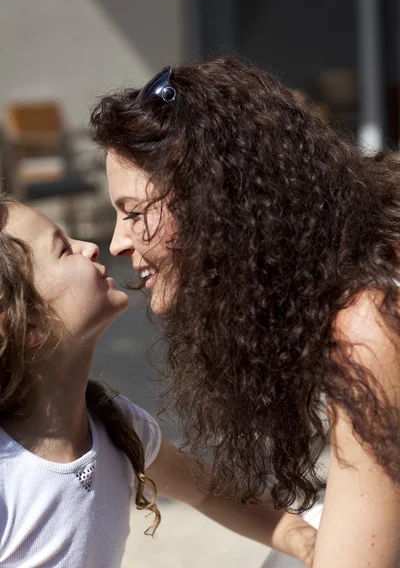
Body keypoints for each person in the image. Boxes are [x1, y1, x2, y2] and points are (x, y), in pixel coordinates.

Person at [90, 57, 400, 568]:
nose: (118, 242)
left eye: (134, 212)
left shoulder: (368, 325)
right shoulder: (363, 259)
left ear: (217, 204)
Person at [0, 197, 316, 567]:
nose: (90, 246)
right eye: (64, 249)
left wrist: (303, 539)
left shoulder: (118, 427)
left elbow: (209, 492)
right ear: (28, 325)